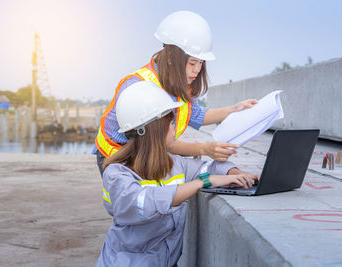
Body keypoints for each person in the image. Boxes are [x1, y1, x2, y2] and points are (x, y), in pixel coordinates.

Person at [96, 81, 259, 267]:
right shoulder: (116, 173)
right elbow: (142, 202)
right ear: (154, 129)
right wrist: (202, 182)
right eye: (170, 122)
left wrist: (238, 173)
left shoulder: (173, 163)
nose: (174, 128)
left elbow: (209, 169)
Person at [93, 10, 257, 175]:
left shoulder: (179, 83)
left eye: (201, 63)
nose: (197, 70)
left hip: (147, 152)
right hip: (117, 157)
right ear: (171, 57)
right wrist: (204, 149)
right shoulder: (141, 86)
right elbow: (161, 141)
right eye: (192, 63)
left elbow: (196, 115)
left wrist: (234, 110)